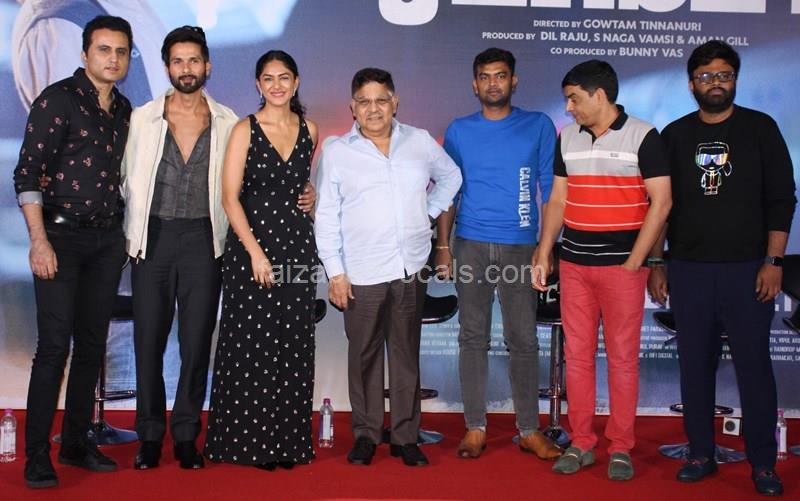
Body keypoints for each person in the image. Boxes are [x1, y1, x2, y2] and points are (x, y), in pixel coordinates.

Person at [648, 41, 795, 497]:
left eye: (724, 75)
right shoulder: (674, 135)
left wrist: (773, 261)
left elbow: (782, 199)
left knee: (755, 367)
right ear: (691, 83)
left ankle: (763, 464)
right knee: (694, 365)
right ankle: (700, 453)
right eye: (706, 76)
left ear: (735, 80)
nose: (716, 83)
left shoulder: (760, 128)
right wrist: (657, 262)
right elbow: (660, 205)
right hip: (688, 269)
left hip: (749, 270)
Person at [315, 68, 462, 467]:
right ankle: (365, 435)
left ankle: (405, 437)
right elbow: (325, 215)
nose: (374, 109)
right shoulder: (337, 151)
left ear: (395, 103)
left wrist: (427, 212)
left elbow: (451, 177)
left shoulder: (419, 141)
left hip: (410, 267)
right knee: (363, 356)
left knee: (405, 355)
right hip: (359, 272)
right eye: (364, 102)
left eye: (381, 100)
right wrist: (335, 272)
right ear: (353, 107)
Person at [532, 60, 672, 481]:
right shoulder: (567, 137)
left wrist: (636, 261)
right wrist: (544, 251)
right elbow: (558, 199)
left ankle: (621, 447)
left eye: (574, 98)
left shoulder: (644, 136)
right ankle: (581, 442)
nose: (569, 107)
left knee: (623, 361)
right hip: (575, 266)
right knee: (576, 359)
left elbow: (662, 202)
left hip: (622, 270)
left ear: (599, 95)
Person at [12, 15, 133, 489]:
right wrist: (39, 241)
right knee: (53, 348)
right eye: (104, 49)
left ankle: (77, 443)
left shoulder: (123, 109)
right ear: (85, 54)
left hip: (106, 242)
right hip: (59, 239)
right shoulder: (57, 99)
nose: (113, 59)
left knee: (92, 346)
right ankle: (37, 455)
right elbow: (27, 173)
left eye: (121, 51)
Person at [435, 47, 561, 461]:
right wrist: (443, 247)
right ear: (475, 85)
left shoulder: (538, 126)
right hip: (469, 244)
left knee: (522, 338)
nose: (493, 83)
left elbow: (551, 191)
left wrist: (545, 248)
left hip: (521, 247)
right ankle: (475, 427)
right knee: (472, 337)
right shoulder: (459, 130)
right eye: (485, 76)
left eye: (501, 75)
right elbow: (449, 190)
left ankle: (529, 429)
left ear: (514, 81)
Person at [121, 25, 238, 471]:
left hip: (205, 240)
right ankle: (150, 435)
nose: (186, 68)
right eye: (177, 61)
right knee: (148, 341)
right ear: (167, 67)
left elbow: (243, 182)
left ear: (208, 66)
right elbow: (124, 177)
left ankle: (187, 435)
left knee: (196, 342)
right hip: (153, 238)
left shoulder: (228, 121)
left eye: (193, 60)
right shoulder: (143, 118)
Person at [204, 50, 319, 471]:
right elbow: (229, 198)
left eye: (284, 77)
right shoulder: (244, 129)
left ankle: (287, 443)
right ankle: (248, 444)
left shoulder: (310, 129)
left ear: (296, 81)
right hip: (252, 250)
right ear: (258, 84)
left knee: (294, 344)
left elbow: (301, 184)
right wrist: (255, 253)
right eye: (268, 78)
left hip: (297, 247)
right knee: (252, 345)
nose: (276, 85)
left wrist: (312, 195)